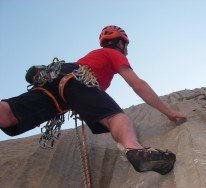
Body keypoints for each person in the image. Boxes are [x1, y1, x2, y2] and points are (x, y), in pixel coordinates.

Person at [0, 25, 186, 175]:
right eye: (125, 46)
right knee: (116, 118)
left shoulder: (93, 56)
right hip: (77, 80)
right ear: (120, 43)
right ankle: (135, 150)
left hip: (54, 85)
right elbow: (137, 84)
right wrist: (168, 112)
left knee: (8, 116)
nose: (126, 50)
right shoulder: (113, 54)